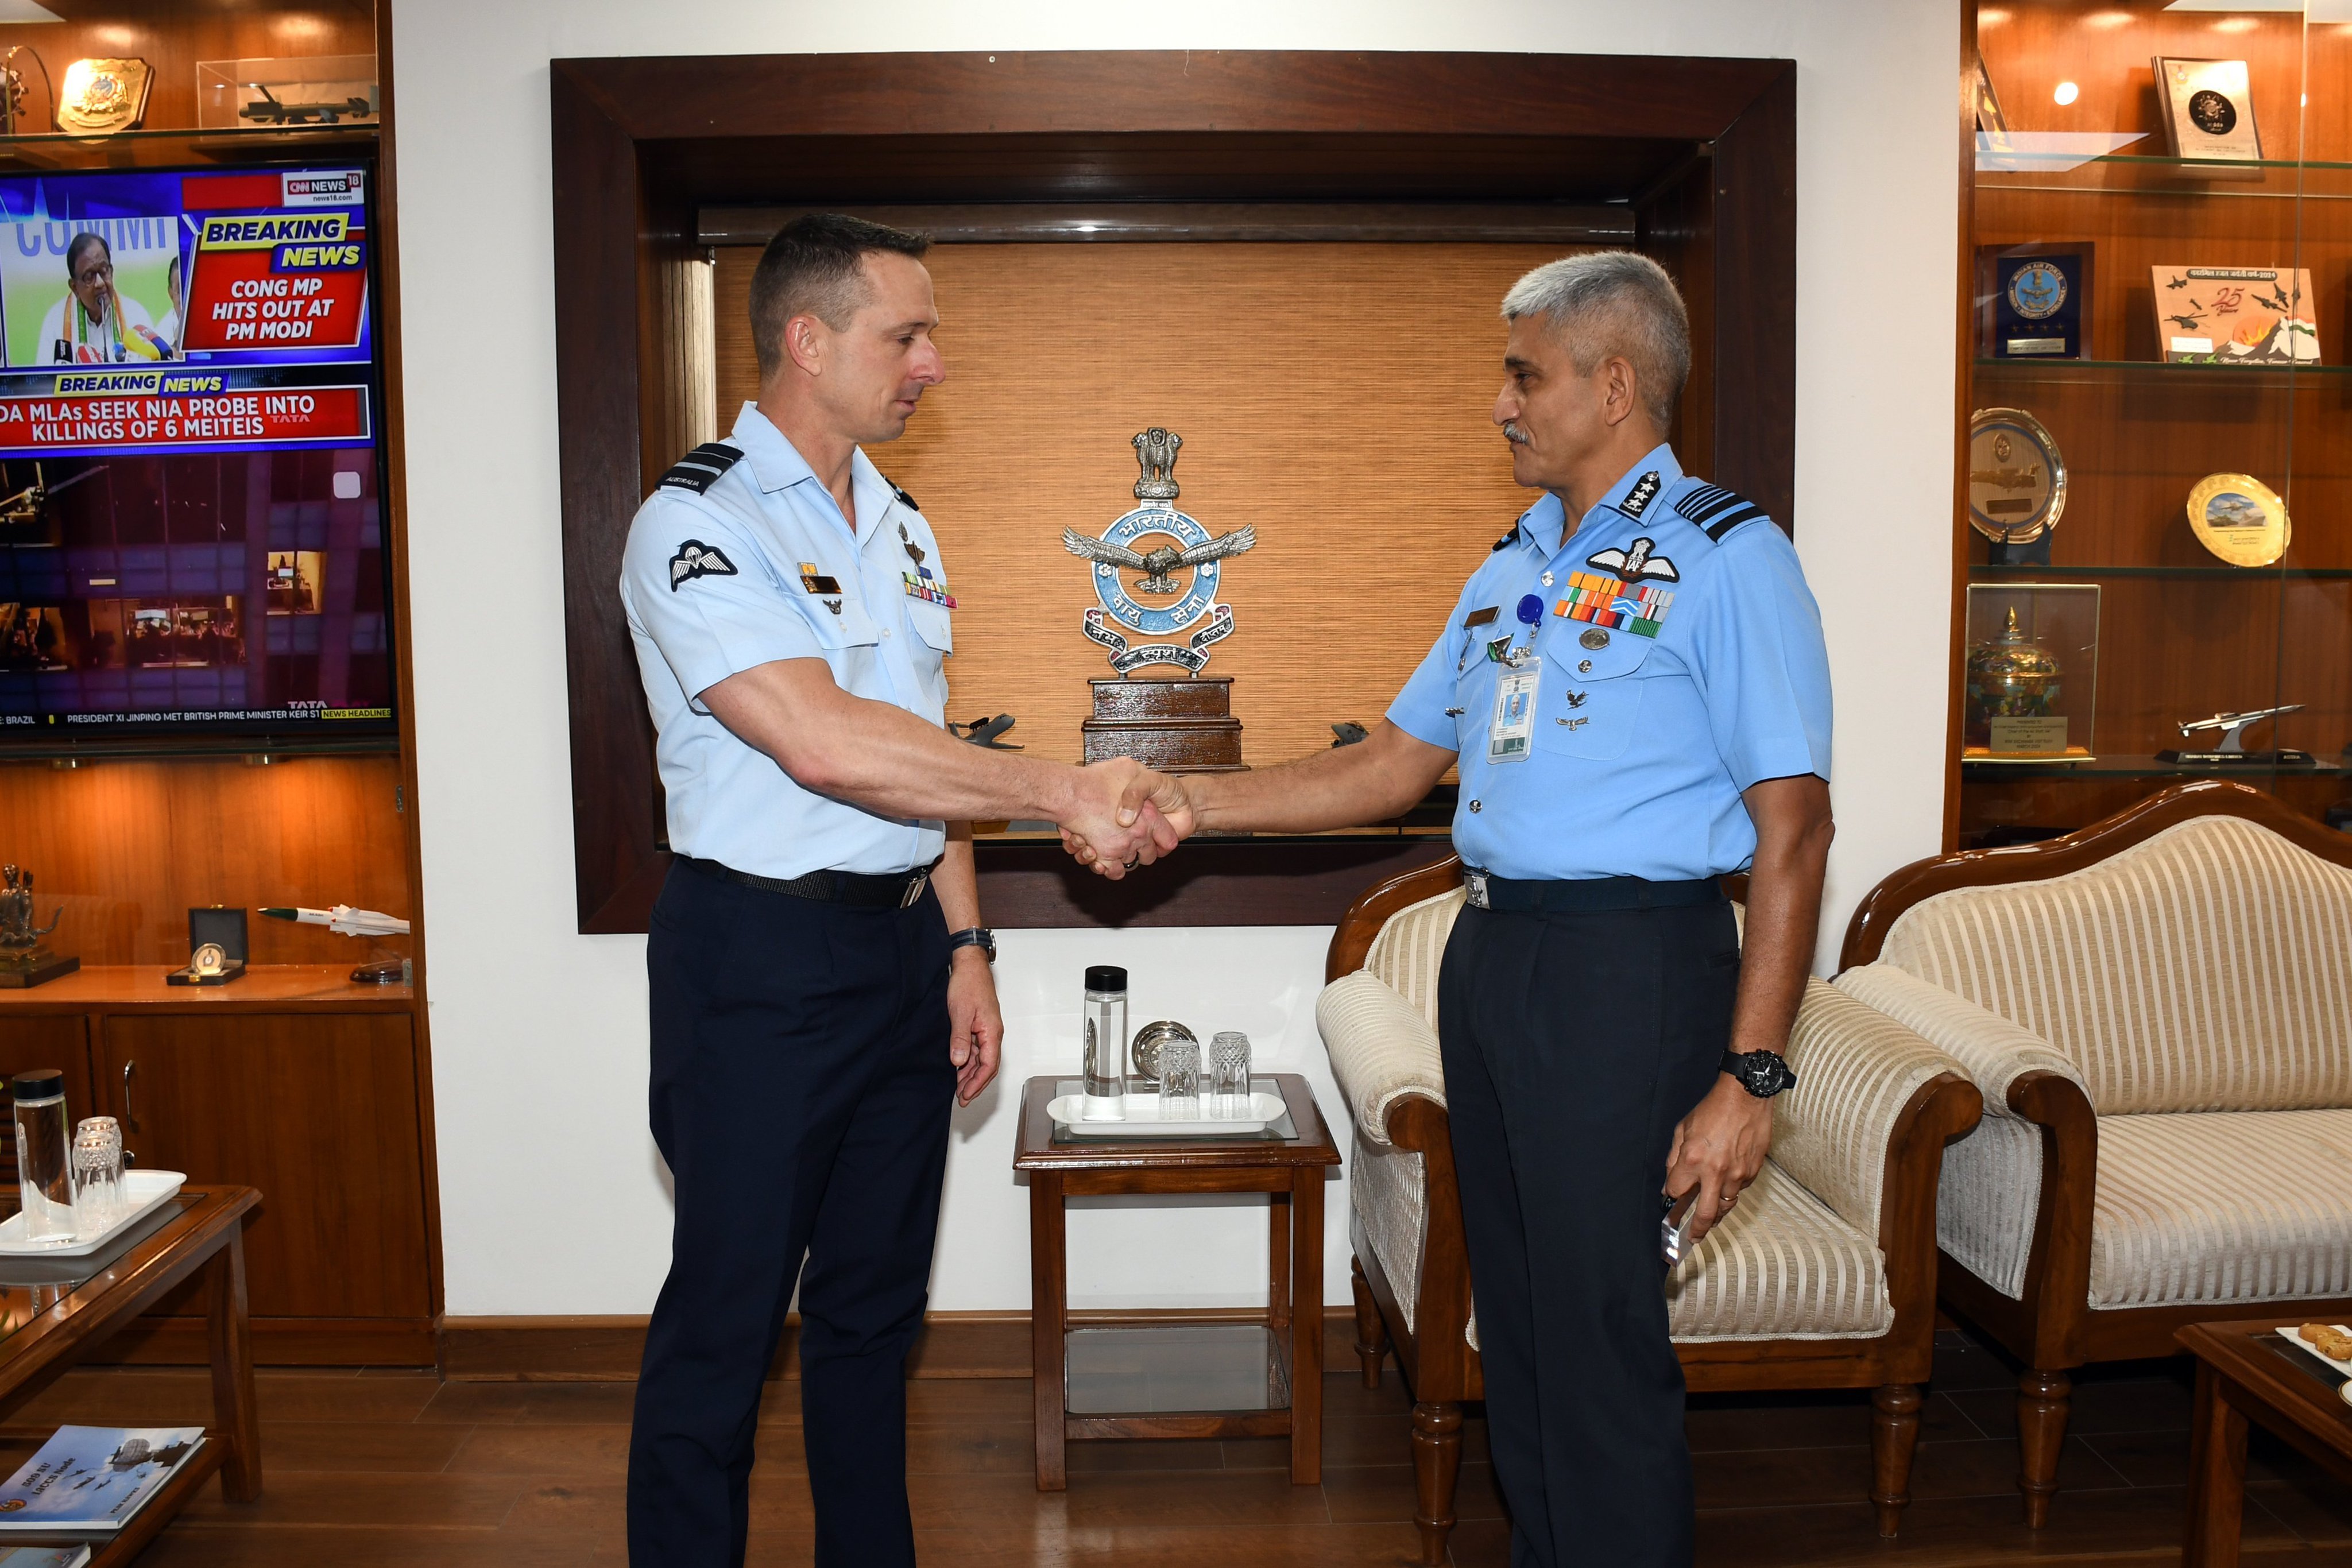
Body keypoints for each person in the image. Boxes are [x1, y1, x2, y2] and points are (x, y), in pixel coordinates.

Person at [1071, 251, 1835, 1568]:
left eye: (1523, 374)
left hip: (1629, 969)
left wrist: (1749, 1077)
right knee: (1521, 1324)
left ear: (1612, 383)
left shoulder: (1728, 557)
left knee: (1598, 1333)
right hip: (1497, 958)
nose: (1501, 403)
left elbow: (1795, 829)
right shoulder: (1513, 565)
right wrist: (1184, 798)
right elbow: (1388, 765)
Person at [617, 212, 1181, 1568]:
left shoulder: (903, 525)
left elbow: (930, 758)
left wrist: (966, 944)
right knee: (729, 1321)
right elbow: (820, 739)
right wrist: (1065, 787)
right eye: (907, 334)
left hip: (897, 954)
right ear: (808, 341)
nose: (933, 362)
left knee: (876, 1316)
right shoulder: (698, 521)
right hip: (754, 961)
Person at [36, 233, 171, 363]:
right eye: (89, 277)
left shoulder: (136, 314)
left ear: (111, 272)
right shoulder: (55, 322)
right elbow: (45, 383)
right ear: (75, 287)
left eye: (104, 271)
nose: (100, 283)